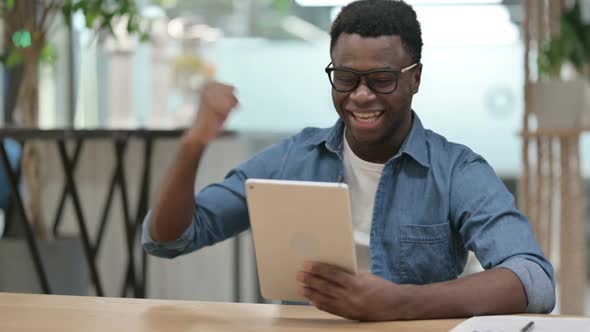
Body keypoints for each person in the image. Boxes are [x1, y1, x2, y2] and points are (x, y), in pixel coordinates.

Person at [143, 0, 555, 321]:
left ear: (415, 78)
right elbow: (169, 238)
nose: (361, 95)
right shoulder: (293, 159)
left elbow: (533, 280)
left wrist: (400, 303)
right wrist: (195, 141)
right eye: (345, 78)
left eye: (382, 79)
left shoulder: (456, 171)